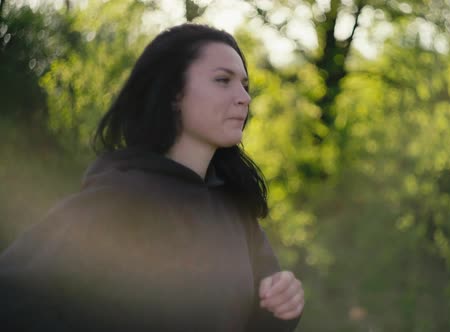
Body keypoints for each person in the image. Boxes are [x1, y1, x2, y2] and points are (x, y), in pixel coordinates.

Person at [0, 23, 304, 331]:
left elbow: (256, 319)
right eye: (223, 80)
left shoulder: (235, 210)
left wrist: (283, 308)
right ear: (174, 93)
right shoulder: (118, 201)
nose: (244, 97)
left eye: (245, 85)